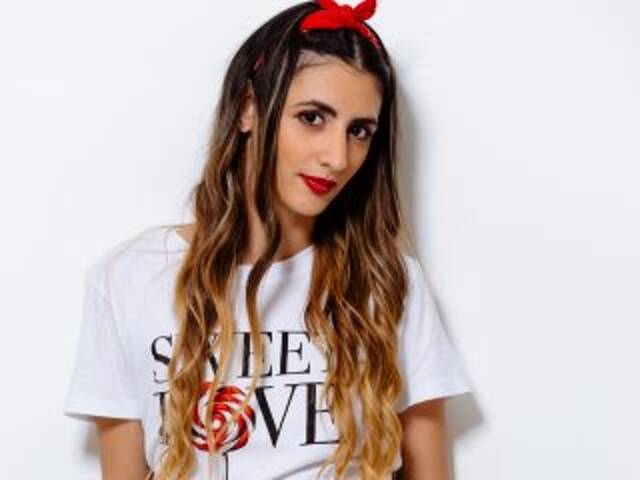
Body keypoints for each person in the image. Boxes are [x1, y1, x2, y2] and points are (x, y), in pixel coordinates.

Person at [63, 1, 473, 478]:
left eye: (359, 131)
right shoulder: (130, 278)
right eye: (313, 117)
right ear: (247, 109)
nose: (338, 157)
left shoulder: (388, 281)